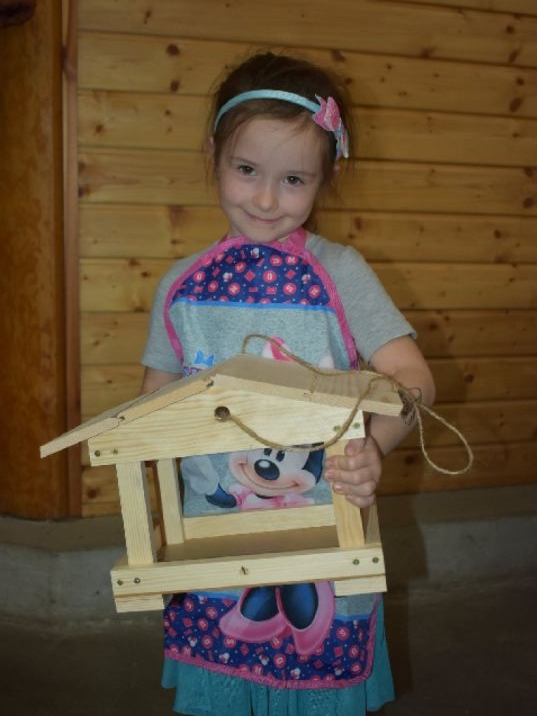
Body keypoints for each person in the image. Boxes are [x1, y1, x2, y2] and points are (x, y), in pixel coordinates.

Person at [140, 51, 435, 716]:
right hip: (213, 547)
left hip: (324, 537)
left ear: (327, 177)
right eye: (246, 170)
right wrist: (153, 506)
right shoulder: (180, 286)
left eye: (294, 179)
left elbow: (414, 378)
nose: (267, 199)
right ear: (213, 155)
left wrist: (376, 447)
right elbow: (153, 407)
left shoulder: (342, 272)